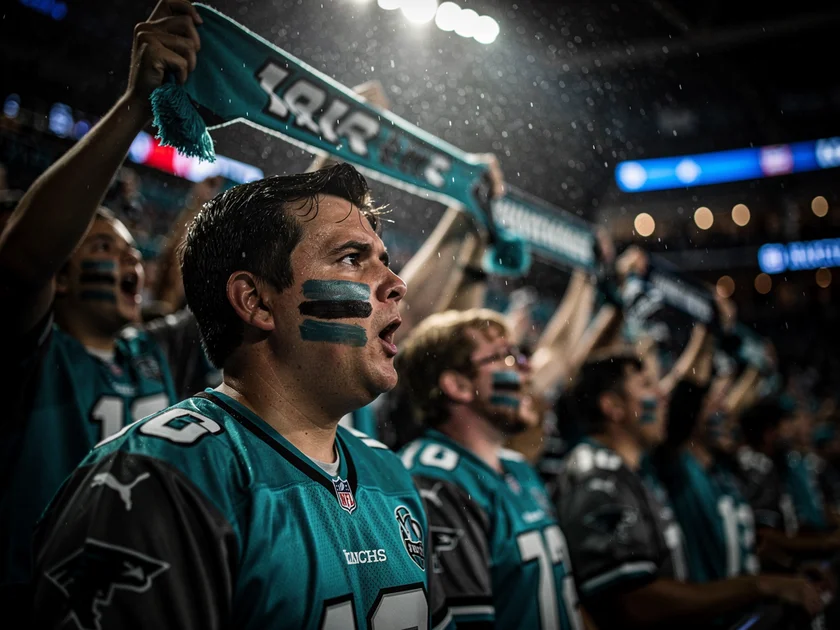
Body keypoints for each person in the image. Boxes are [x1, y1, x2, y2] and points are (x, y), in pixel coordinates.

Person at [29, 3, 453, 628]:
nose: (395, 284)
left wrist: (335, 137)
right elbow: (23, 265)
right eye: (355, 260)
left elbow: (285, 238)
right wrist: (132, 109)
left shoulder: (389, 473)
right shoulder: (160, 479)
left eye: (383, 260)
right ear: (254, 303)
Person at [553, 352, 825, 630]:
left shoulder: (633, 471)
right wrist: (760, 585)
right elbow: (635, 601)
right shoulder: (596, 475)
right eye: (647, 385)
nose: (662, 396)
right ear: (613, 406)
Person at [398, 308, 585, 629]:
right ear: (457, 384)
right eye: (505, 358)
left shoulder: (516, 468)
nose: (526, 370)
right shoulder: (436, 480)